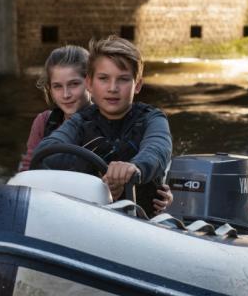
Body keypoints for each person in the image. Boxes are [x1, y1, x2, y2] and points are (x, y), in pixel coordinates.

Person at [22, 42, 172, 215]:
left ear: (137, 85)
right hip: (87, 218)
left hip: (143, 221)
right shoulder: (79, 121)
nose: (112, 88)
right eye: (103, 79)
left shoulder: (153, 118)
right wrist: (101, 179)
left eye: (123, 79)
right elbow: (47, 149)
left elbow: (158, 148)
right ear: (90, 84)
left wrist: (134, 168)